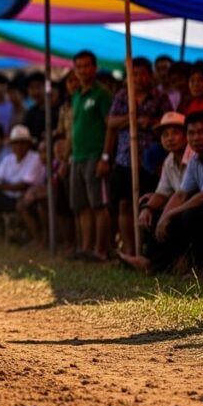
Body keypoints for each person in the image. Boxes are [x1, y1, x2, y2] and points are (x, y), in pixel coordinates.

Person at [104, 56, 171, 258]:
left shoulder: (160, 97)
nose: (138, 78)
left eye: (142, 73)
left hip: (150, 161)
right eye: (134, 74)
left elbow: (170, 122)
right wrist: (130, 118)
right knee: (123, 204)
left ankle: (148, 249)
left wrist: (149, 121)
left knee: (148, 203)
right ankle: (130, 248)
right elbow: (111, 123)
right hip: (125, 159)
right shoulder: (122, 96)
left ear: (150, 75)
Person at [154, 112, 203, 275]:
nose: (196, 137)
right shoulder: (194, 159)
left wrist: (172, 213)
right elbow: (181, 194)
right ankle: (163, 266)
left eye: (202, 132)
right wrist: (164, 217)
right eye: (191, 133)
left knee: (192, 214)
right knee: (165, 217)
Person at [121, 112, 187, 272]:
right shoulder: (169, 161)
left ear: (186, 135)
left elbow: (184, 194)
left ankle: (158, 263)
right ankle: (151, 260)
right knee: (150, 211)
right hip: (180, 204)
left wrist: (166, 214)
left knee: (171, 218)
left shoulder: (192, 156)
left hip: (192, 206)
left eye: (175, 133)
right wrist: (147, 209)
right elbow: (162, 192)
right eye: (165, 135)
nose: (170, 138)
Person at [70, 51, 113, 262]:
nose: (83, 70)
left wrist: (105, 157)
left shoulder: (102, 94)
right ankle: (86, 249)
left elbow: (110, 127)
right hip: (77, 157)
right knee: (82, 206)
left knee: (98, 205)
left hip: (94, 156)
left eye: (87, 66)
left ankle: (101, 250)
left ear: (94, 68)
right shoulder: (77, 95)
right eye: (79, 66)